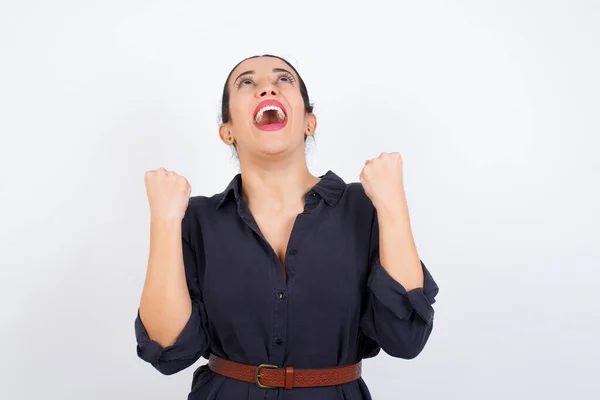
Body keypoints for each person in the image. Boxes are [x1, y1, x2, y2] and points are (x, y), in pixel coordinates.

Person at [134, 54, 439, 400]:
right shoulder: (198, 219)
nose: (267, 88)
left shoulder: (363, 208)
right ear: (227, 131)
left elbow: (406, 338)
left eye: (284, 80)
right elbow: (168, 351)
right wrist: (164, 220)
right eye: (247, 82)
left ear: (309, 121)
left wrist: (392, 204)